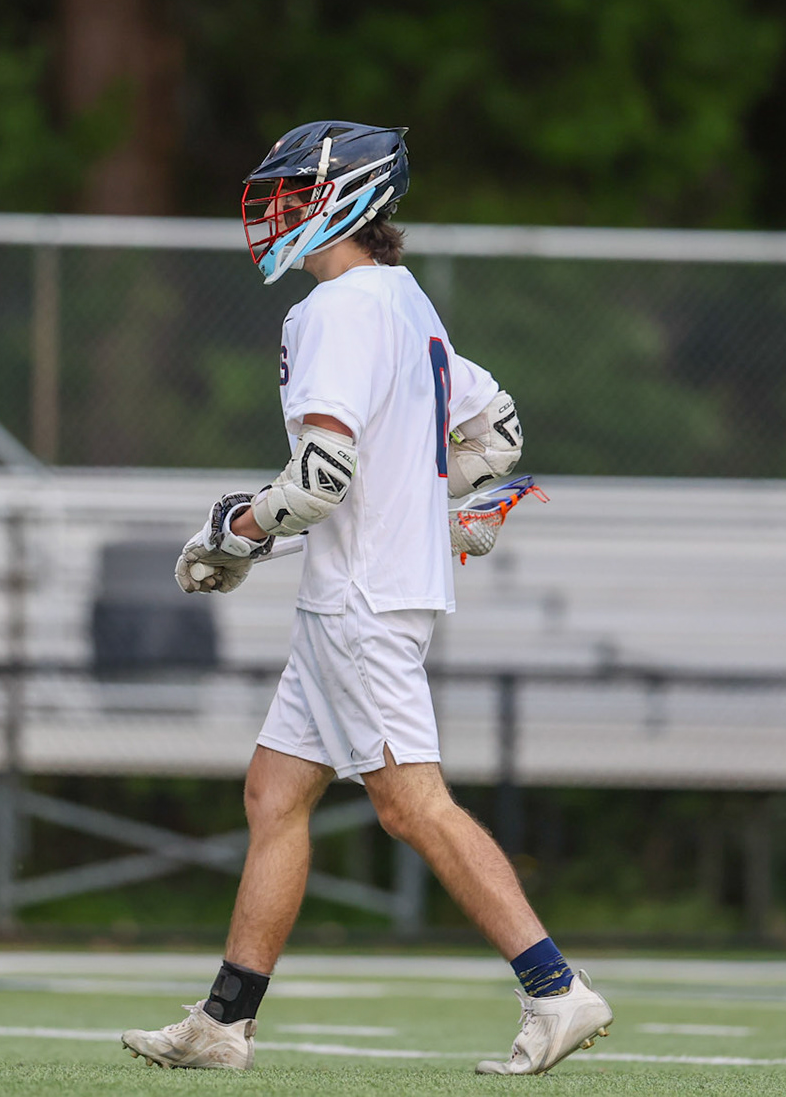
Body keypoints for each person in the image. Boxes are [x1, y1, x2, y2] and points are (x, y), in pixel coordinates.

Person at [120, 121, 612, 1076]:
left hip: (361, 597)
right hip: (366, 591)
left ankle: (556, 990)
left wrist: (234, 532)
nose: (274, 212)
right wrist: (426, 506)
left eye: (292, 194)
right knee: (274, 793)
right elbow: (497, 435)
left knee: (410, 804)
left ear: (344, 200)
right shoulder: (404, 299)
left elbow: (322, 477)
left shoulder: (337, 309)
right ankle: (225, 1022)